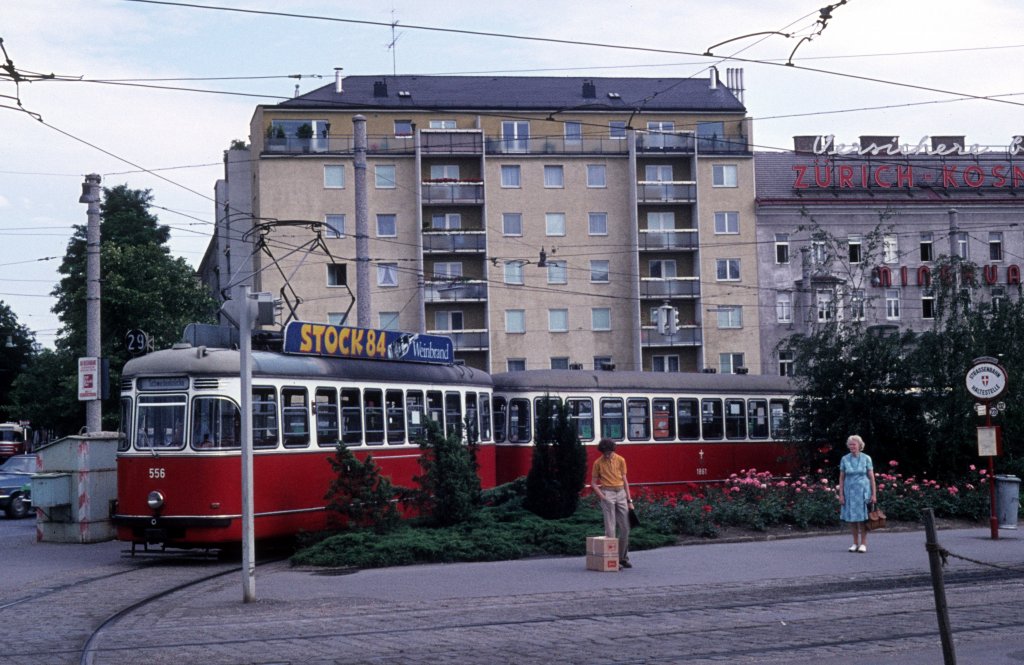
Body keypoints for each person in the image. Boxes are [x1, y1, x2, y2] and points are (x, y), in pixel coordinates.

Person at [591, 438, 632, 568]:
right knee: (610, 529)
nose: (607, 455)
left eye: (609, 452)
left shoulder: (621, 460)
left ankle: (623, 558)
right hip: (607, 493)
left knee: (625, 528)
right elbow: (593, 483)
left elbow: (625, 481)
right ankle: (612, 560)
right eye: (604, 453)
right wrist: (603, 497)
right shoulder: (598, 463)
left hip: (621, 493)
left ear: (613, 450)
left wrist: (629, 500)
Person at [838, 434, 877, 553]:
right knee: (852, 519)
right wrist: (841, 495)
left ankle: (863, 544)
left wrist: (874, 494)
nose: (851, 446)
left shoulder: (867, 458)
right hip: (849, 493)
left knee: (863, 519)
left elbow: (871, 477)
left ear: (859, 445)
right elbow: (841, 478)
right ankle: (855, 543)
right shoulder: (844, 459)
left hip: (863, 492)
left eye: (854, 444)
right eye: (850, 444)